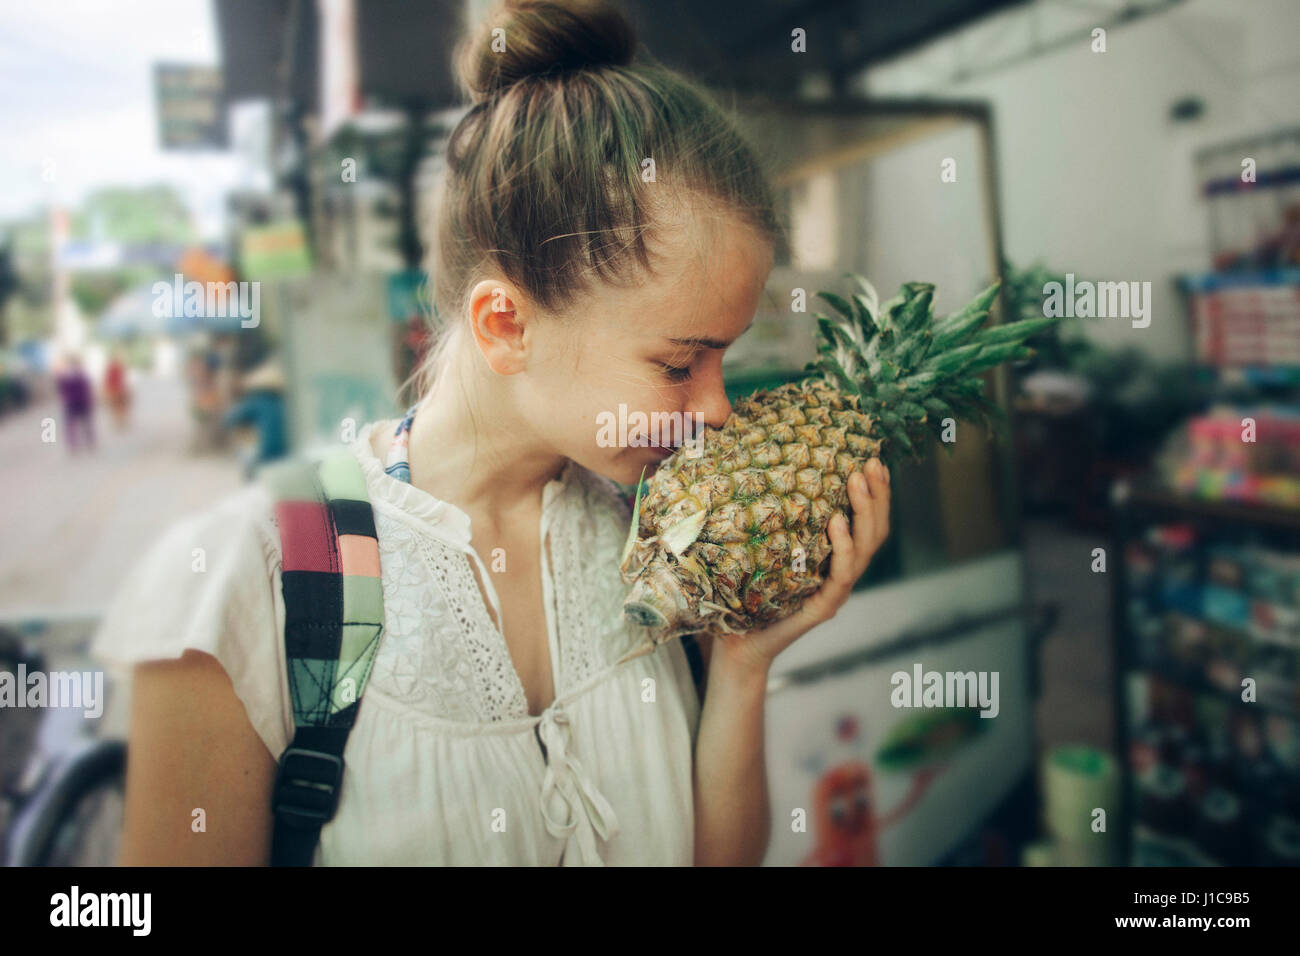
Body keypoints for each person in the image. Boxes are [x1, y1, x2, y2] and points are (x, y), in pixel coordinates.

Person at [90, 0, 892, 866]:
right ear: (506, 323)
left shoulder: (664, 541)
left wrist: (739, 669)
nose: (720, 410)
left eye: (723, 359)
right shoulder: (251, 584)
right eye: (678, 363)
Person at [54, 351, 95, 452]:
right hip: (80, 401)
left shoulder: (66, 375)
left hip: (72, 402)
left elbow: (61, 389)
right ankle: (87, 442)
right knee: (84, 423)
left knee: (73, 424)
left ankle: (75, 444)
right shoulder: (80, 374)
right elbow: (86, 388)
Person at [103, 347, 131, 431]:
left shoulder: (113, 367)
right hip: (117, 389)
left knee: (117, 407)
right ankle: (120, 422)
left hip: (115, 389)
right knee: (119, 407)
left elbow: (107, 379)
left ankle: (119, 422)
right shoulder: (119, 367)